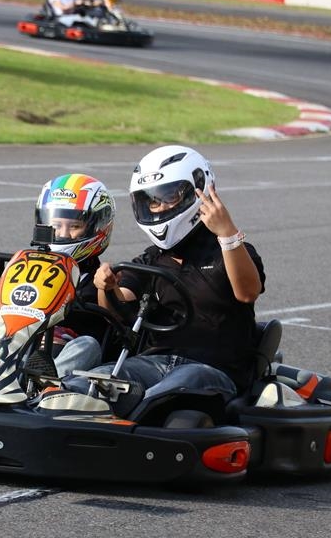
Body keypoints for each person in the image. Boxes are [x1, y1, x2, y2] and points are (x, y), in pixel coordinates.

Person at [66, 145, 265, 406]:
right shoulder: (151, 259)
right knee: (93, 381)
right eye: (152, 201)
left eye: (168, 197)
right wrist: (106, 286)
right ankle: (61, 405)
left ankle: (142, 409)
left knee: (180, 384)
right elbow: (118, 306)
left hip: (213, 370)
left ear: (198, 191)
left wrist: (227, 232)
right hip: (154, 363)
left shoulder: (229, 251)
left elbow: (247, 291)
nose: (158, 209)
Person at [0, 173, 116, 379]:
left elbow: (109, 321)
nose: (64, 234)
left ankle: (46, 387)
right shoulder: (27, 266)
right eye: (56, 225)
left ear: (98, 227)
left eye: (74, 226)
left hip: (59, 357)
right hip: (12, 351)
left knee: (88, 346)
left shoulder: (100, 279)